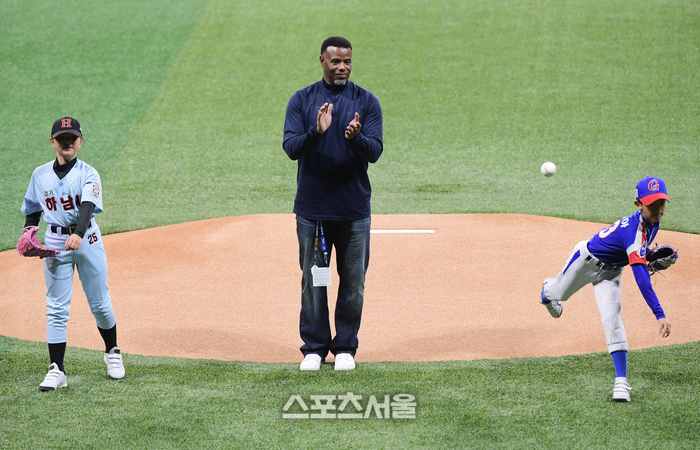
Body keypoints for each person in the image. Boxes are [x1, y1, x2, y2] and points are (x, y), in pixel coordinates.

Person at [283, 36, 383, 371]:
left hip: (354, 211)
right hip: (313, 211)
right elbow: (291, 148)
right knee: (314, 282)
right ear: (322, 61)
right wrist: (316, 132)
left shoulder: (366, 101)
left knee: (353, 283)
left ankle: (344, 348)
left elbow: (375, 152)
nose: (342, 67)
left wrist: (357, 139)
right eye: (336, 61)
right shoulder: (302, 100)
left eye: (347, 61)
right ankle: (314, 347)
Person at [540, 176, 672, 402]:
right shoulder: (635, 231)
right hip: (584, 262)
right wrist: (659, 314)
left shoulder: (652, 221)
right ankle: (546, 292)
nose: (659, 209)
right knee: (557, 294)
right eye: (652, 205)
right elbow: (641, 280)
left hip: (611, 274)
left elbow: (633, 251)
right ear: (638, 204)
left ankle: (621, 382)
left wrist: (646, 255)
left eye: (662, 203)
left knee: (612, 319)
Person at [20, 116, 125, 391]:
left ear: (80, 142)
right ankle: (57, 370)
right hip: (55, 242)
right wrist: (29, 231)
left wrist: (78, 232)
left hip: (87, 239)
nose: (67, 142)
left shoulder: (89, 173)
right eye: (62, 138)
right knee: (56, 308)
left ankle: (112, 351)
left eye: (72, 138)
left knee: (100, 304)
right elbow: (32, 207)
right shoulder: (40, 175)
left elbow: (88, 206)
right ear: (52, 142)